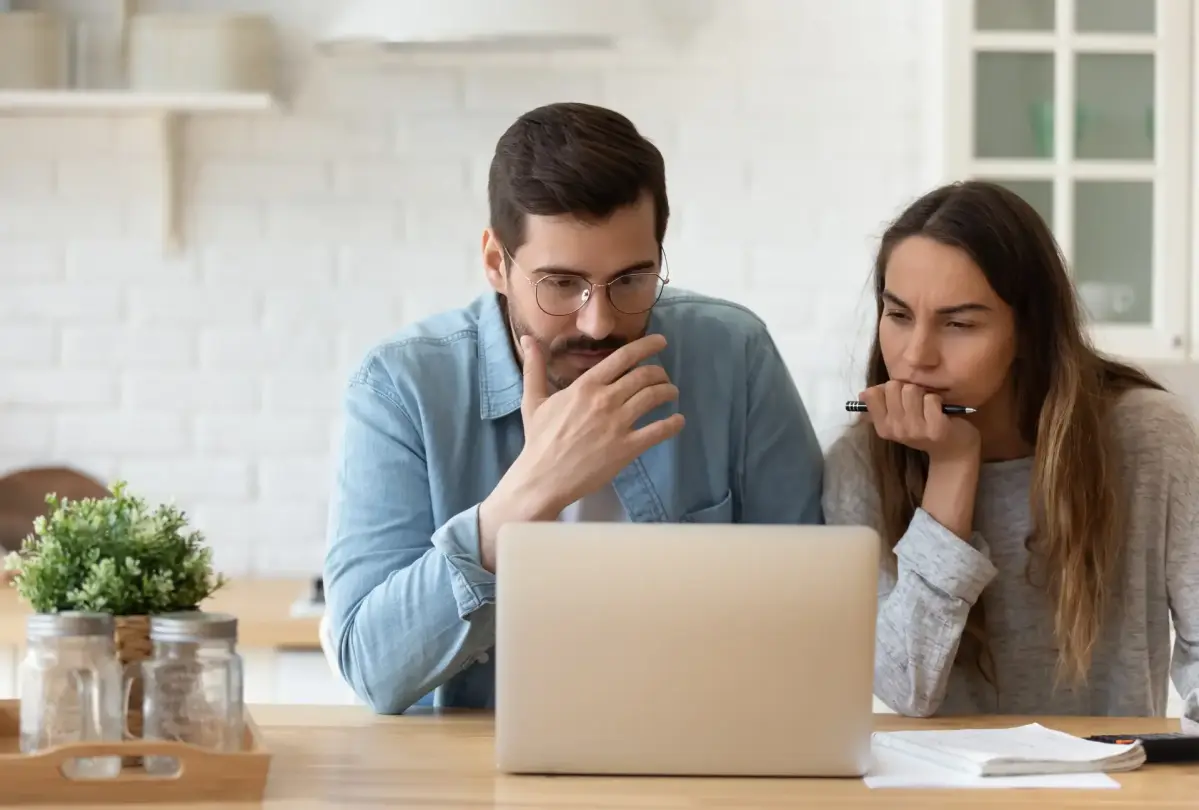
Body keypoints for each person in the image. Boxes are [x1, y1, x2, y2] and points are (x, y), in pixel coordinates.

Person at [322, 102, 825, 714]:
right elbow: (373, 671)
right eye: (561, 283)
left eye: (632, 279)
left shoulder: (735, 355)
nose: (599, 320)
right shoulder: (400, 388)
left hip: (695, 756)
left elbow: (813, 615)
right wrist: (530, 494)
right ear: (495, 264)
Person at [823, 179, 1199, 718]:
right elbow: (907, 691)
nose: (915, 356)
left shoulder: (1148, 439)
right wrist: (952, 470)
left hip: (1113, 792)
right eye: (899, 315)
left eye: (959, 324)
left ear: (1028, 331)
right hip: (937, 798)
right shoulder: (858, 465)